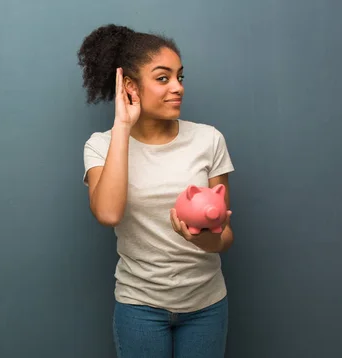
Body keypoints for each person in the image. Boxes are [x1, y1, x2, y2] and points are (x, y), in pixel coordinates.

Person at [78, 24, 235, 358]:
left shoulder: (209, 140)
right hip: (140, 307)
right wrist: (122, 125)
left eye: (180, 76)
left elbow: (224, 237)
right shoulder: (100, 146)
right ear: (130, 87)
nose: (177, 87)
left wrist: (201, 239)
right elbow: (108, 213)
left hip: (206, 304)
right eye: (163, 78)